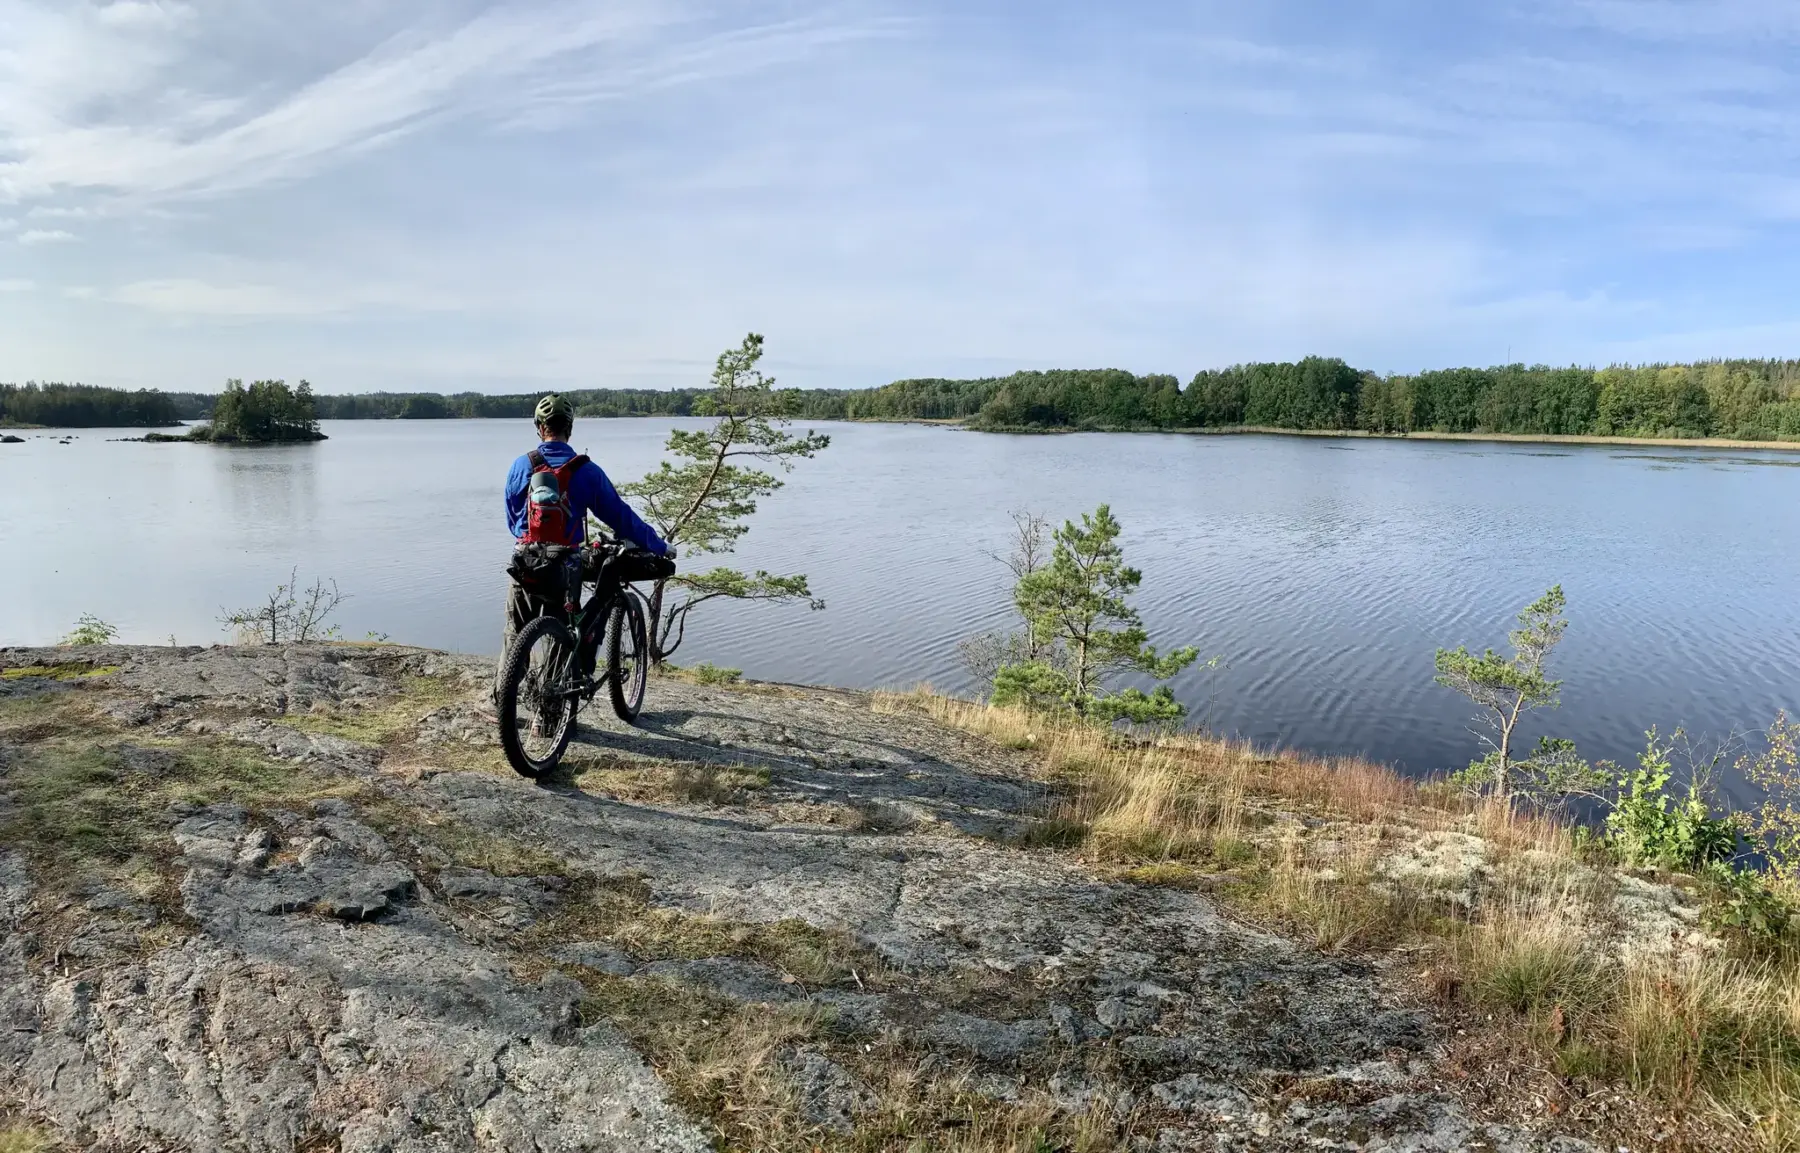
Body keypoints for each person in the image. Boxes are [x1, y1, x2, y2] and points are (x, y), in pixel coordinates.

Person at [501, 393, 674, 654]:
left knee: (515, 637)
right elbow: (621, 516)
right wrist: (659, 545)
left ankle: (507, 681)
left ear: (539, 427)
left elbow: (513, 520)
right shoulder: (585, 470)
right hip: (565, 565)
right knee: (564, 637)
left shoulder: (521, 465)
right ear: (569, 428)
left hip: (526, 560)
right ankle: (560, 678)